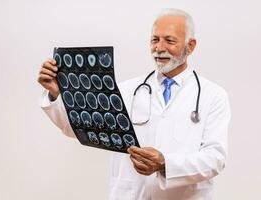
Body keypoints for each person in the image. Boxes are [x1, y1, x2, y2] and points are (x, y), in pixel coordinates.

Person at [37, 8, 231, 200]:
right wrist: (56, 93)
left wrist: (165, 163)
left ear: (191, 46)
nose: (159, 48)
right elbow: (83, 128)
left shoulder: (212, 95)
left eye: (169, 40)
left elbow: (215, 159)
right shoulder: (127, 91)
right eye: (155, 40)